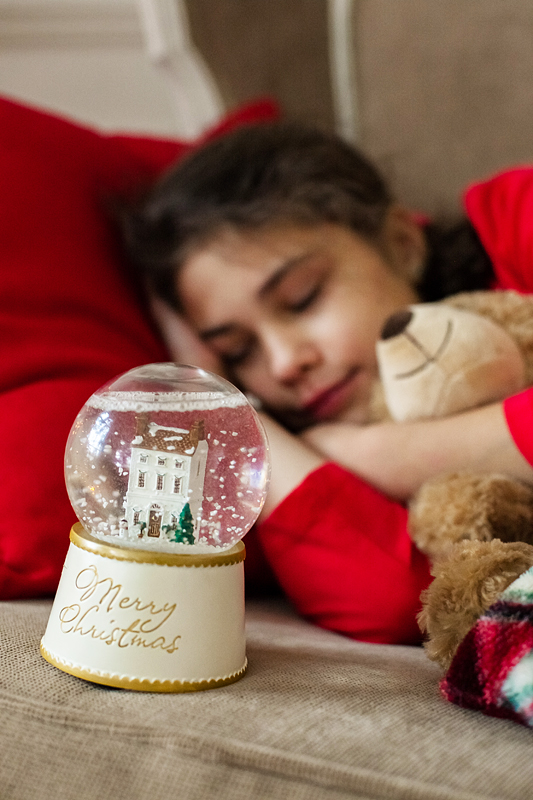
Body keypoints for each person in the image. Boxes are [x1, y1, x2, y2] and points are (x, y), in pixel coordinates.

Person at [124, 122, 533, 644]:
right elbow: (394, 599)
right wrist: (222, 402)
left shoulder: (515, 219)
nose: (282, 365)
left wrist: (383, 452)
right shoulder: (310, 446)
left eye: (303, 298)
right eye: (239, 351)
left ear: (402, 243)